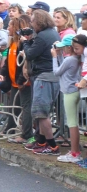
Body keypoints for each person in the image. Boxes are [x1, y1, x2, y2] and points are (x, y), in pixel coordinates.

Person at [22, 9, 61, 155]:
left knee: (41, 113)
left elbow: (31, 54)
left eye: (32, 21)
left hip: (44, 76)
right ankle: (41, 141)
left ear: (39, 21)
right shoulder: (52, 32)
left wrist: (26, 43)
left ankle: (52, 146)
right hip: (52, 75)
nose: (31, 24)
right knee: (43, 111)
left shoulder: (43, 36)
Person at [0, 16, 34, 144]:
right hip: (14, 82)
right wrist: (1, 74)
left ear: (16, 27)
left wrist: (21, 80)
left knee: (24, 107)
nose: (7, 28)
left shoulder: (23, 43)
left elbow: (24, 64)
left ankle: (25, 134)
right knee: (13, 109)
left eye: (10, 26)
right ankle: (9, 130)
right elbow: (7, 63)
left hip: (22, 83)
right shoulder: (13, 43)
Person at [52, 34, 84, 163]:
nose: (62, 50)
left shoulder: (70, 59)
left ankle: (75, 153)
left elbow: (56, 71)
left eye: (64, 48)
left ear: (69, 48)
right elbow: (62, 68)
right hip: (74, 90)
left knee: (72, 123)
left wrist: (54, 57)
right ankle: (75, 151)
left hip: (69, 92)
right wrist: (59, 55)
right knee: (73, 122)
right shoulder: (75, 58)